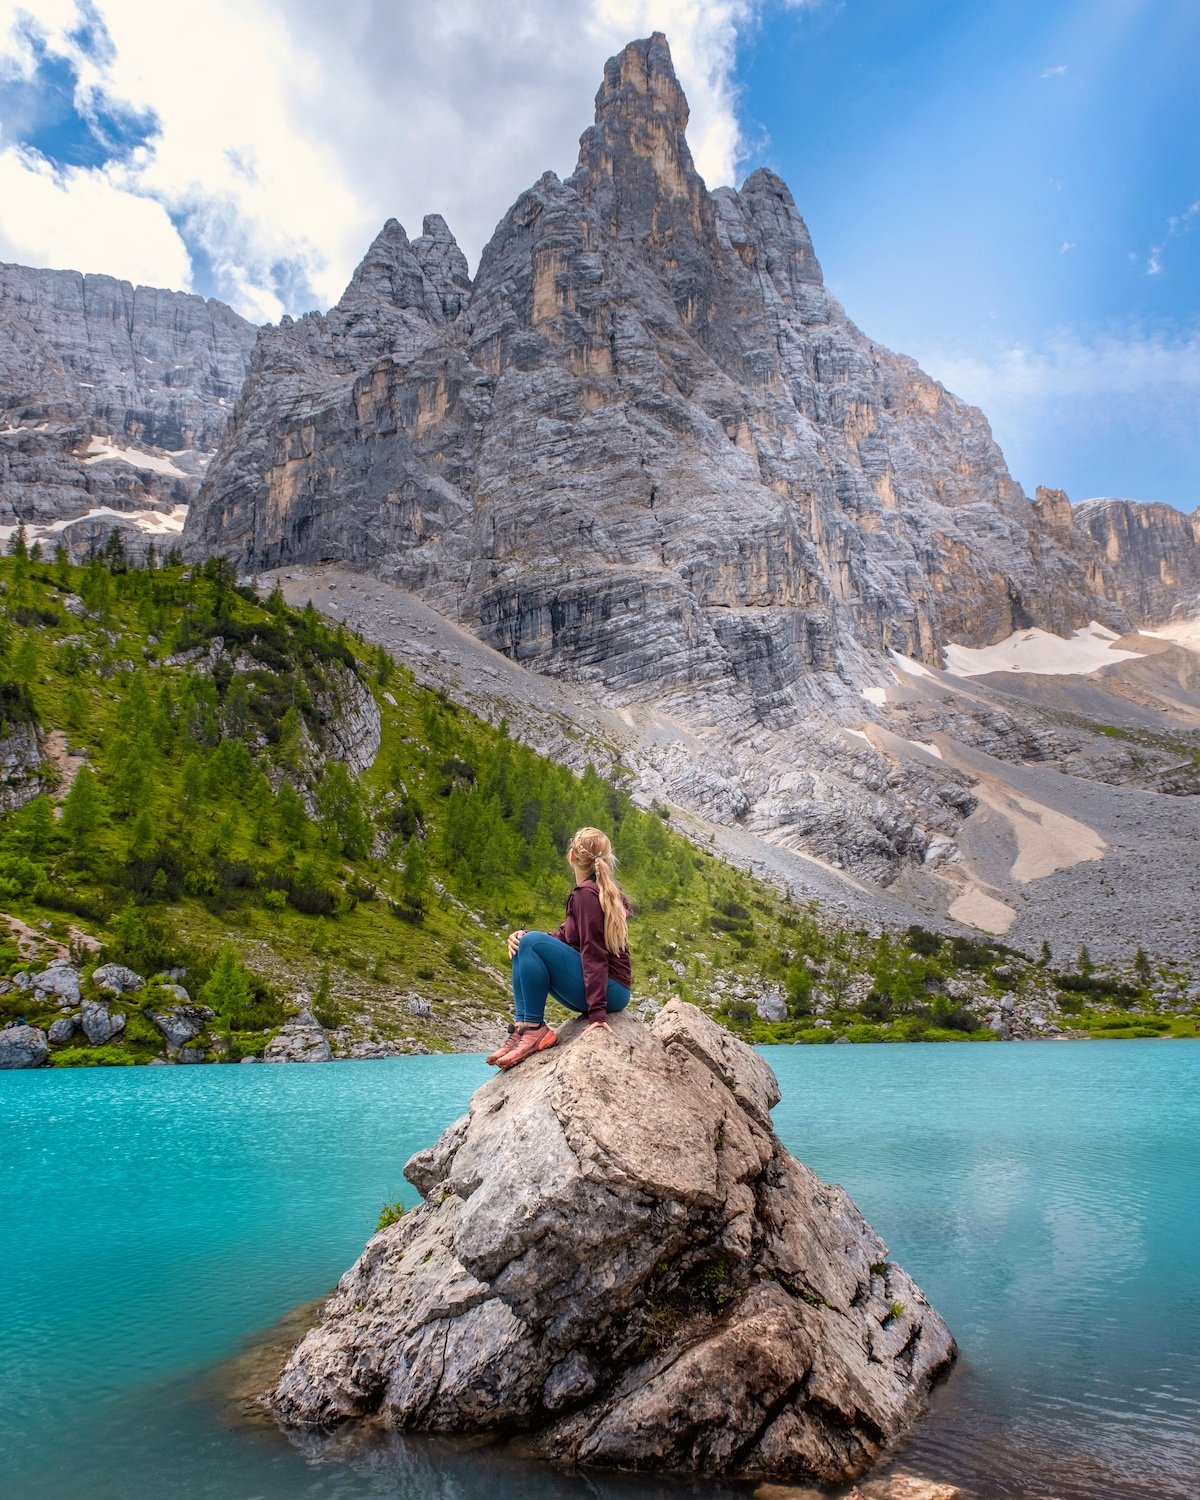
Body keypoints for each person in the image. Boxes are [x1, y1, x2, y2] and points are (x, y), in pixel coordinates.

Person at [488, 825, 633, 1070]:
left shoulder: (587, 894)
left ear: (572, 856)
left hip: (611, 992)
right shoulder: (592, 891)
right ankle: (523, 1028)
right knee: (525, 943)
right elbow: (568, 938)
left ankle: (534, 1029)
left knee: (531, 943)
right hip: (609, 990)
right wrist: (524, 937)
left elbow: (593, 952)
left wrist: (597, 1014)